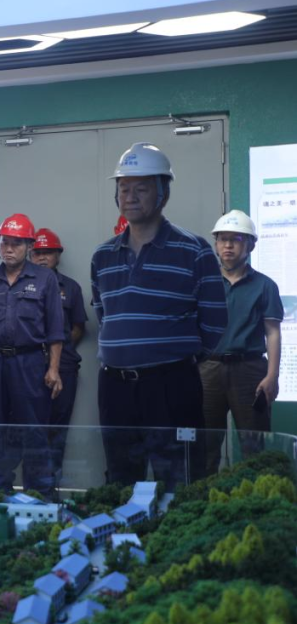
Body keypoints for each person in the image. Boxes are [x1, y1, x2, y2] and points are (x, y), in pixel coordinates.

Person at [91, 142, 227, 489]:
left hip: (171, 386)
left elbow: (214, 325)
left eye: (142, 188)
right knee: (120, 480)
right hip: (114, 388)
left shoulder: (194, 251)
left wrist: (171, 359)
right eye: (124, 188)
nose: (130, 197)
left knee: (180, 479)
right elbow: (105, 315)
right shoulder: (102, 257)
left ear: (164, 193)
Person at [0, 213, 64, 496]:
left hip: (30, 363)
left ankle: (40, 494)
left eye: (16, 243)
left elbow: (55, 329)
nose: (9, 249)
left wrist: (53, 369)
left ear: (29, 246)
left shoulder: (44, 278)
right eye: (4, 243)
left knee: (33, 430)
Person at [198, 209, 282, 475]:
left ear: (251, 245)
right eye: (222, 239)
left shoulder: (265, 285)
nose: (228, 245)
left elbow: (272, 332)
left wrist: (272, 376)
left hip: (250, 370)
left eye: (236, 239)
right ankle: (203, 496)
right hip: (209, 369)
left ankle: (253, 496)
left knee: (254, 444)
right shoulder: (204, 283)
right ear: (215, 244)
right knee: (205, 445)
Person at [30, 227, 88, 489]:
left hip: (64, 366)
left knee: (57, 429)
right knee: (31, 429)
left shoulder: (71, 288)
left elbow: (78, 327)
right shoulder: (21, 285)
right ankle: (33, 489)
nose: (42, 258)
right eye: (37, 253)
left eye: (48, 252)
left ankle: (52, 488)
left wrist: (57, 350)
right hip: (29, 366)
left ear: (58, 256)